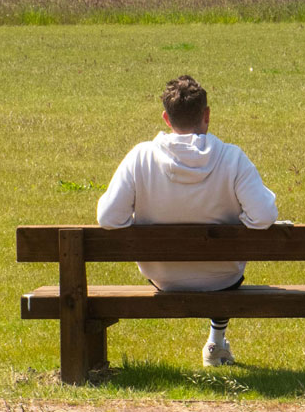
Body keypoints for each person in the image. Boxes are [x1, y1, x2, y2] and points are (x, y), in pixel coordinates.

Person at [96, 74, 278, 367]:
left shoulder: (140, 157)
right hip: (224, 278)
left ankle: (216, 344)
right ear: (206, 115)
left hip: (163, 276)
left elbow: (107, 217)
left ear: (166, 119)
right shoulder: (232, 158)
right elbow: (265, 215)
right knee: (221, 269)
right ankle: (216, 343)